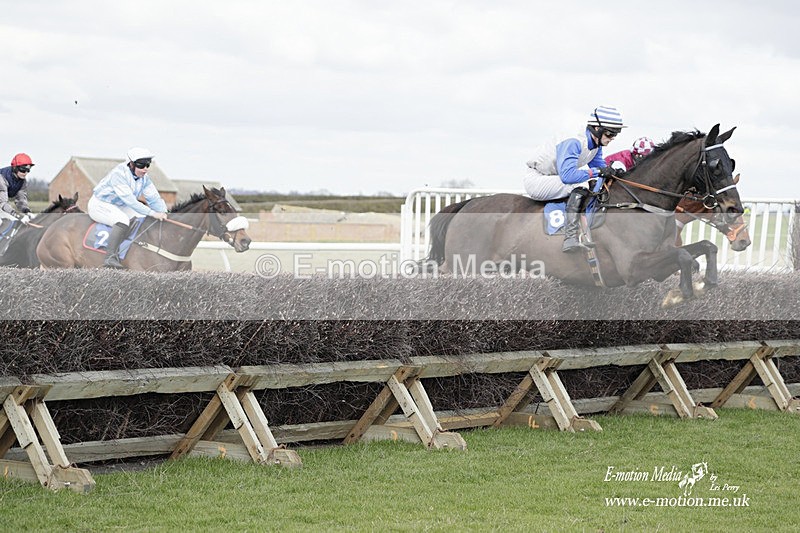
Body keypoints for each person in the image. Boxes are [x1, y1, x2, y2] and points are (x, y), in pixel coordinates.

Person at [524, 106, 626, 252]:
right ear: (597, 128)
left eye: (616, 134)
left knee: (597, 181)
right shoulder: (574, 141)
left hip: (554, 179)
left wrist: (614, 173)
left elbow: (600, 167)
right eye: (610, 134)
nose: (612, 138)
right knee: (582, 181)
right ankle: (570, 237)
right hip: (538, 180)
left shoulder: (596, 145)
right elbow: (568, 176)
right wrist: (598, 171)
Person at [88, 147, 168, 268]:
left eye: (147, 165)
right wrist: (152, 213)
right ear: (131, 164)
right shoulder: (119, 174)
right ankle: (110, 257)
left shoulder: (144, 178)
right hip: (100, 204)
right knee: (122, 220)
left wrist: (163, 212)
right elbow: (131, 201)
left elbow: (154, 198)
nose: (145, 169)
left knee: (142, 217)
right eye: (141, 165)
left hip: (120, 205)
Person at [0, 153, 34, 225]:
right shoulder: (1, 179)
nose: (25, 173)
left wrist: (26, 211)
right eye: (23, 170)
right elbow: (3, 203)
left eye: (28, 170)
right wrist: (17, 215)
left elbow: (21, 200)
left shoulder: (22, 181)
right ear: (15, 168)